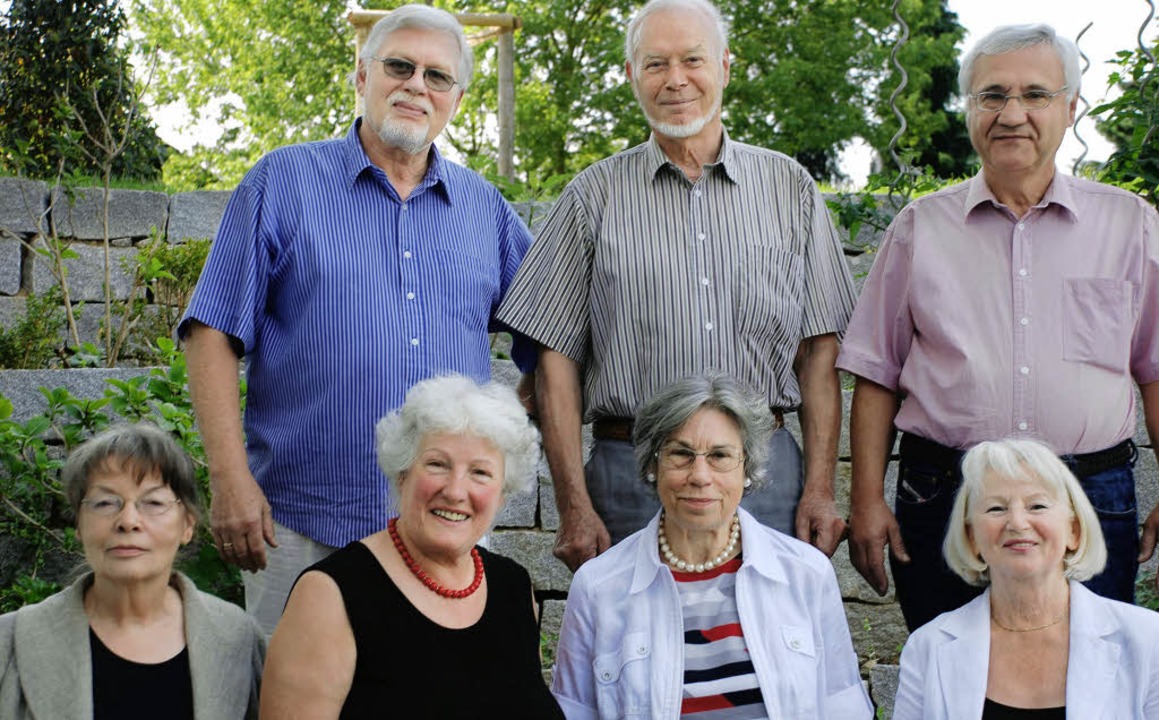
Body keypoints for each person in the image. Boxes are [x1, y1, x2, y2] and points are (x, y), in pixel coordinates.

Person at [180, 4, 536, 634]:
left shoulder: (486, 209)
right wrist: (230, 481)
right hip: (299, 520)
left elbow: (548, 338)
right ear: (361, 74)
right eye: (399, 66)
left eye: (437, 76)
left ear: (455, 98)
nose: (416, 86)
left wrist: (503, 444)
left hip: (443, 528)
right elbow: (211, 332)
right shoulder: (282, 182)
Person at [496, 0, 856, 573]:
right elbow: (554, 363)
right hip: (627, 475)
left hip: (767, 474)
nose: (676, 79)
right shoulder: (592, 195)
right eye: (656, 63)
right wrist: (572, 505)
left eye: (693, 59)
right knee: (631, 658)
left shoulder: (790, 187)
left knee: (768, 656)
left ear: (725, 67)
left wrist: (819, 490)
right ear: (632, 76)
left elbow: (819, 355)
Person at [837, 22, 1159, 631]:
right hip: (946, 497)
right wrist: (867, 500)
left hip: (1088, 496)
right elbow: (877, 375)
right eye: (993, 96)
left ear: (1070, 107)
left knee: (1094, 680)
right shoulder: (919, 228)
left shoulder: (1131, 226)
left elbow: (1155, 371)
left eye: (1036, 95)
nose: (1012, 113)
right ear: (969, 110)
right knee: (952, 674)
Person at [551, 372, 871, 718]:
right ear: (652, 465)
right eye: (681, 454)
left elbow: (843, 706)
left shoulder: (806, 574)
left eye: (719, 456)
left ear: (747, 467)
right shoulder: (598, 586)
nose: (700, 475)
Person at [260, 375, 562, 719]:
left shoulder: (514, 587)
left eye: (480, 473)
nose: (455, 490)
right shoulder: (329, 594)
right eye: (437, 464)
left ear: (502, 494)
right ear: (402, 473)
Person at [0, 423, 265, 719]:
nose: (128, 520)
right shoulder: (10, 642)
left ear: (188, 524)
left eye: (153, 502)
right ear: (78, 524)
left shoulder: (238, 639)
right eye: (104, 503)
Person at [893, 438, 1159, 719]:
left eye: (1037, 506)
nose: (1018, 523)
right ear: (972, 538)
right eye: (996, 508)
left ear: (1074, 530)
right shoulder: (928, 647)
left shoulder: (1148, 639)